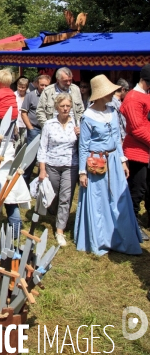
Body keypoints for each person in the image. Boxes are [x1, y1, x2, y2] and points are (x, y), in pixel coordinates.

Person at [75, 75, 142, 255]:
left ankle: (122, 238)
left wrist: (122, 160)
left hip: (113, 160)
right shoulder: (88, 116)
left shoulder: (113, 111)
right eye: (110, 92)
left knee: (119, 197)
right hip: (97, 162)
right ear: (100, 94)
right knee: (99, 200)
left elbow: (116, 139)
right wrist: (82, 172)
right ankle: (101, 239)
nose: (113, 94)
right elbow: (83, 146)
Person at [38, 93, 80, 247]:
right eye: (62, 106)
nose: (65, 109)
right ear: (57, 107)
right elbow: (43, 147)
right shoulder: (49, 124)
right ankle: (53, 212)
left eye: (68, 106)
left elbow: (81, 146)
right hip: (52, 164)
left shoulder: (75, 124)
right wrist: (42, 169)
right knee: (53, 195)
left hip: (71, 164)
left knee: (66, 197)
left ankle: (60, 229)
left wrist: (79, 135)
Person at [0, 108, 31, 236]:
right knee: (9, 195)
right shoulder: (11, 118)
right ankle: (13, 229)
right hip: (7, 154)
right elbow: (15, 136)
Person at [120, 65, 150, 241]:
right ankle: (133, 224)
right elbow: (137, 128)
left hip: (146, 149)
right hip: (137, 150)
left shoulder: (145, 95)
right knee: (137, 189)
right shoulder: (132, 98)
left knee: (148, 187)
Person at [20, 74, 51, 183]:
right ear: (37, 84)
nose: (43, 87)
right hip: (35, 129)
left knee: (44, 157)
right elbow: (24, 112)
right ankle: (24, 181)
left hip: (48, 130)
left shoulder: (52, 96)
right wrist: (31, 128)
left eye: (46, 85)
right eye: (41, 85)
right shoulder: (30, 96)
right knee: (31, 156)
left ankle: (40, 182)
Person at [14, 77, 29, 147]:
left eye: (23, 87)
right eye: (19, 87)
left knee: (24, 143)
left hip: (25, 123)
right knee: (16, 144)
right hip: (16, 123)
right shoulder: (13, 95)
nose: (20, 89)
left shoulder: (29, 96)